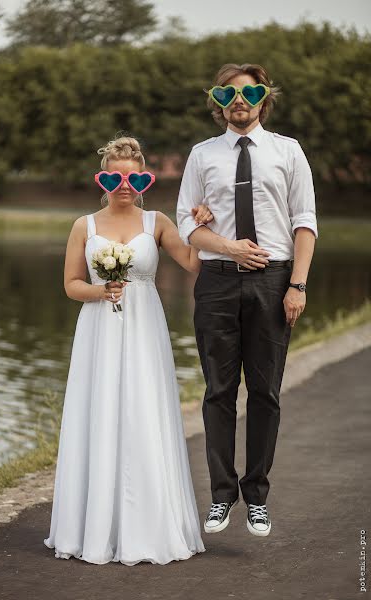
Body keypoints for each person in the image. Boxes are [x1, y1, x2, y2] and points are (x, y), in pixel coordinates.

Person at [44, 135, 213, 566]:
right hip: (99, 326)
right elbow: (71, 285)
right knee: (100, 410)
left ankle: (149, 525)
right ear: (102, 178)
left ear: (143, 179)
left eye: (132, 176)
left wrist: (203, 223)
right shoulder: (85, 225)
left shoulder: (156, 221)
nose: (124, 184)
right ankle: (95, 527)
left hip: (144, 329)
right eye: (114, 176)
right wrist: (101, 294)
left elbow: (193, 262)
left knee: (142, 411)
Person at [177, 63, 317, 537]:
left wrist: (297, 285)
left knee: (266, 393)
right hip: (216, 282)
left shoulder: (288, 151)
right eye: (229, 93)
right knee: (218, 391)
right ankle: (221, 497)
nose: (240, 99)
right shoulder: (202, 155)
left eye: (250, 91)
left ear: (263, 99)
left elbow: (305, 222)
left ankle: (256, 496)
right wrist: (227, 245)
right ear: (217, 101)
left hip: (273, 282)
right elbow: (186, 225)